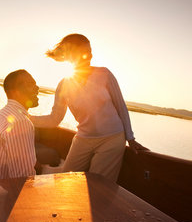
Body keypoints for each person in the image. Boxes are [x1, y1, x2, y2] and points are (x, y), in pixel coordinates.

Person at [30, 34, 148, 182]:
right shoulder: (64, 84)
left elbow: (121, 107)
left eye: (90, 50)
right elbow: (55, 119)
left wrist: (130, 138)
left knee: (98, 185)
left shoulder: (105, 74)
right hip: (83, 138)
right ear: (71, 54)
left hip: (112, 138)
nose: (90, 54)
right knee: (66, 181)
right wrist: (27, 119)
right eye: (85, 51)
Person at [0, 69, 40, 180]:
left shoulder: (1, 114)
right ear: (15, 91)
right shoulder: (20, 122)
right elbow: (22, 178)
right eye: (30, 84)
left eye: (35, 84)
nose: (37, 88)